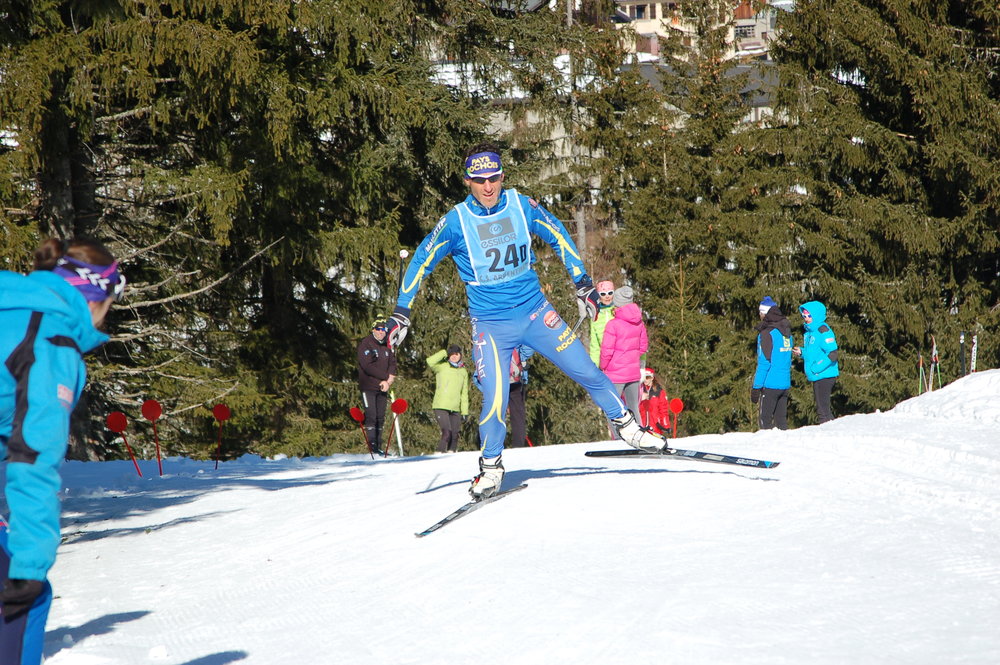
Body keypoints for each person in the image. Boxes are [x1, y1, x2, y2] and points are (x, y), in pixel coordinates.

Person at [383, 142, 665, 500]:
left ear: (503, 176)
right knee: (495, 399)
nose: (488, 187)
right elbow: (421, 260)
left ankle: (627, 427)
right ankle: (490, 468)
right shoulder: (456, 221)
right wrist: (401, 312)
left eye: (495, 178)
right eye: (480, 180)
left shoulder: (520, 203)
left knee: (587, 371)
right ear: (468, 181)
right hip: (491, 325)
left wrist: (583, 285)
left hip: (535, 313)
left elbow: (559, 234)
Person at [0, 236, 126, 665]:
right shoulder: (50, 340)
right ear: (96, 297)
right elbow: (32, 454)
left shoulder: (11, 304)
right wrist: (30, 566)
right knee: (22, 600)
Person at [598, 286, 648, 419]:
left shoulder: (612, 324)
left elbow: (606, 351)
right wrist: (631, 358)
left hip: (615, 374)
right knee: (633, 408)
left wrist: (603, 366)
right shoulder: (639, 323)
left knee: (613, 409)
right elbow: (643, 347)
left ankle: (617, 439)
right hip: (633, 372)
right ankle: (639, 436)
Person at [751, 296, 794, 430]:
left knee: (765, 423)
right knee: (781, 423)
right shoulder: (786, 331)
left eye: (761, 312)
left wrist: (756, 387)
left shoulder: (766, 334)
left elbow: (764, 363)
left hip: (770, 385)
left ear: (765, 313)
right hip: (785, 383)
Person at [794, 300, 839, 424]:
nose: (806, 318)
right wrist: (802, 352)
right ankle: (830, 431)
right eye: (804, 315)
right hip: (817, 375)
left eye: (809, 315)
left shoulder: (823, 330)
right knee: (822, 409)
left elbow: (832, 353)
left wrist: (816, 368)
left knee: (822, 411)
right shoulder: (810, 332)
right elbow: (814, 352)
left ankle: (827, 434)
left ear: (816, 315)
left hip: (824, 374)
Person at [356, 318, 397, 455]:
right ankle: (372, 447)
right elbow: (367, 366)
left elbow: (392, 363)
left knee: (380, 416)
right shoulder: (366, 344)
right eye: (378, 329)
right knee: (371, 416)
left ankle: (378, 446)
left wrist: (390, 378)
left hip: (383, 387)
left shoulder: (386, 346)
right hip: (368, 386)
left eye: (383, 329)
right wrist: (385, 377)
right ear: (373, 330)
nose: (381, 332)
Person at [427, 344, 469, 453]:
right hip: (441, 405)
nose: (454, 356)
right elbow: (430, 361)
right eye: (452, 354)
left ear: (460, 355)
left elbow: (464, 393)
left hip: (455, 408)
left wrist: (464, 411)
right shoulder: (442, 366)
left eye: (456, 354)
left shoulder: (463, 371)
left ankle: (451, 456)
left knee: (455, 435)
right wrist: (444, 352)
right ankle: (439, 453)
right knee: (447, 432)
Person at [507, 345, 534, 448]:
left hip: (499, 378)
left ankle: (491, 445)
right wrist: (521, 358)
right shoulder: (516, 331)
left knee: (495, 413)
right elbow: (529, 348)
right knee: (518, 415)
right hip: (516, 378)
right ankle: (518, 446)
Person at [588, 280, 615, 364]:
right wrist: (594, 366)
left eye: (610, 293)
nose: (607, 296)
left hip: (620, 358)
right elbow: (594, 344)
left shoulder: (619, 311)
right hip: (605, 360)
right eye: (603, 294)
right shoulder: (596, 315)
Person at [639, 367, 671, 435]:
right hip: (641, 426)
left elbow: (663, 410)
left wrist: (666, 425)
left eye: (647, 377)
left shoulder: (658, 391)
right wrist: (640, 398)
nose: (645, 380)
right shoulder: (639, 390)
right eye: (643, 377)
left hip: (655, 426)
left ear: (652, 378)